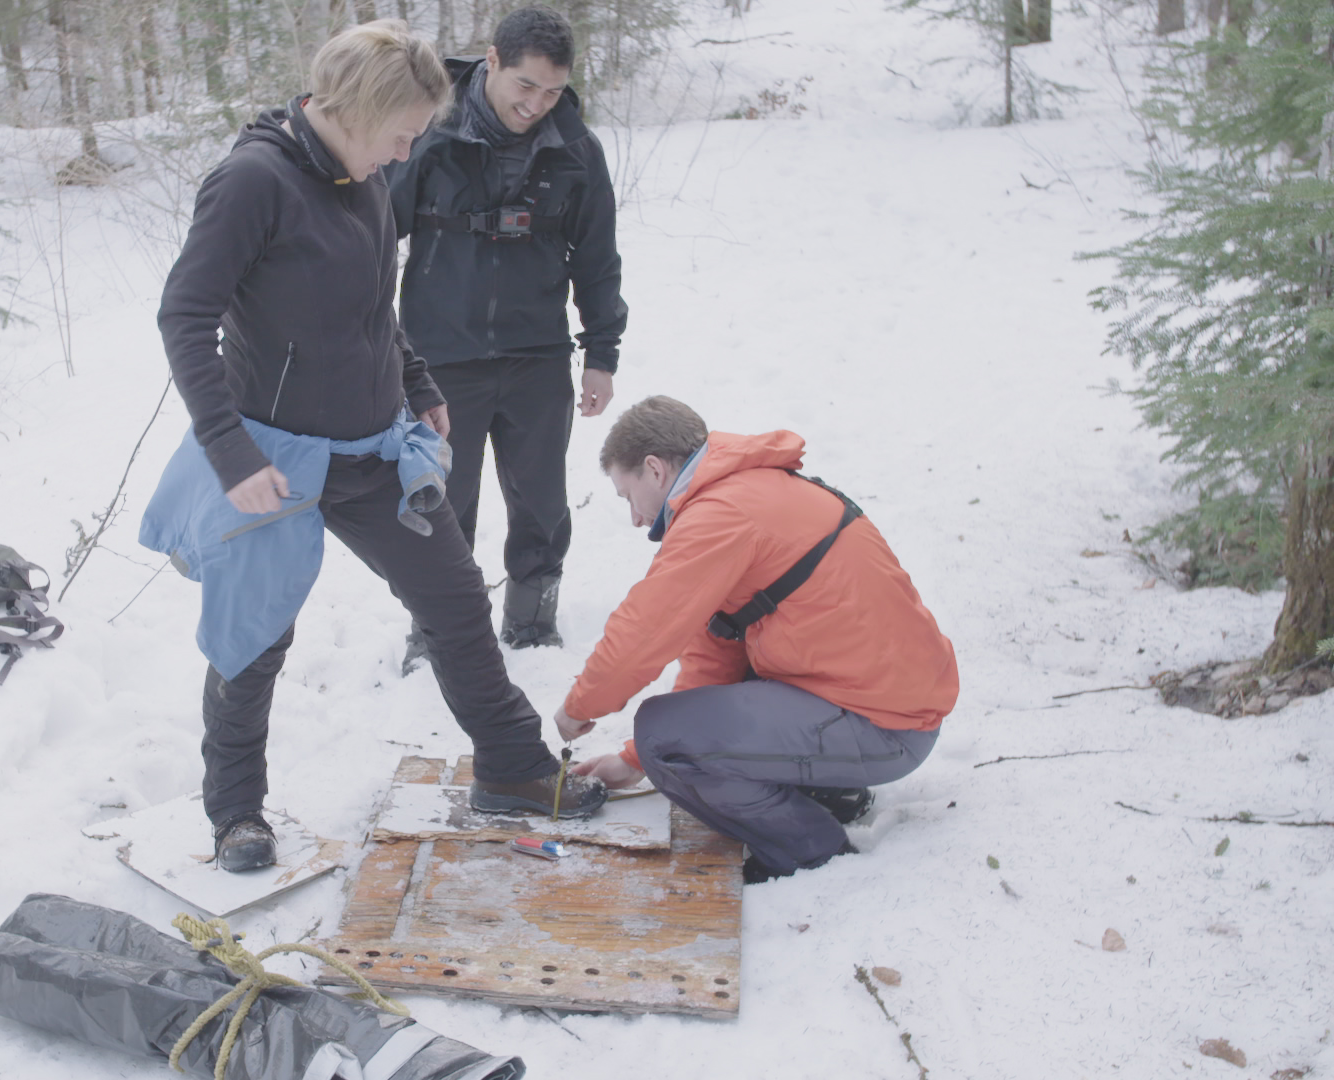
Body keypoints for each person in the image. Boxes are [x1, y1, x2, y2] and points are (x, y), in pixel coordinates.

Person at [153, 21, 607, 874]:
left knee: (455, 599)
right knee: (254, 638)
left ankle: (512, 768)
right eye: (401, 134)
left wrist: (419, 384)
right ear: (356, 111)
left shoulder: (363, 175)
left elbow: (371, 308)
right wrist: (229, 452)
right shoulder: (252, 183)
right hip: (273, 458)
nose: (407, 151)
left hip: (370, 446)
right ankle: (236, 815)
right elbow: (185, 317)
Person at [558, 397, 960, 883]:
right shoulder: (747, 490)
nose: (636, 519)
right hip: (886, 705)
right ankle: (829, 790)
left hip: (885, 726)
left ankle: (812, 852)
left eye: (628, 496)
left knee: (667, 736)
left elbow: (642, 634)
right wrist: (633, 761)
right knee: (672, 731)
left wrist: (577, 710)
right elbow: (716, 652)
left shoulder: (719, 515)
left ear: (655, 469)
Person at [386, 6, 628, 669]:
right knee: (440, 503)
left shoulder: (576, 149)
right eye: (526, 86)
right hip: (439, 359)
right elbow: (372, 235)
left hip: (537, 357)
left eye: (552, 92)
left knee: (541, 500)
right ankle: (436, 631)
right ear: (491, 60)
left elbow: (598, 258)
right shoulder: (429, 135)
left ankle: (531, 620)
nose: (536, 105)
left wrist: (601, 353)